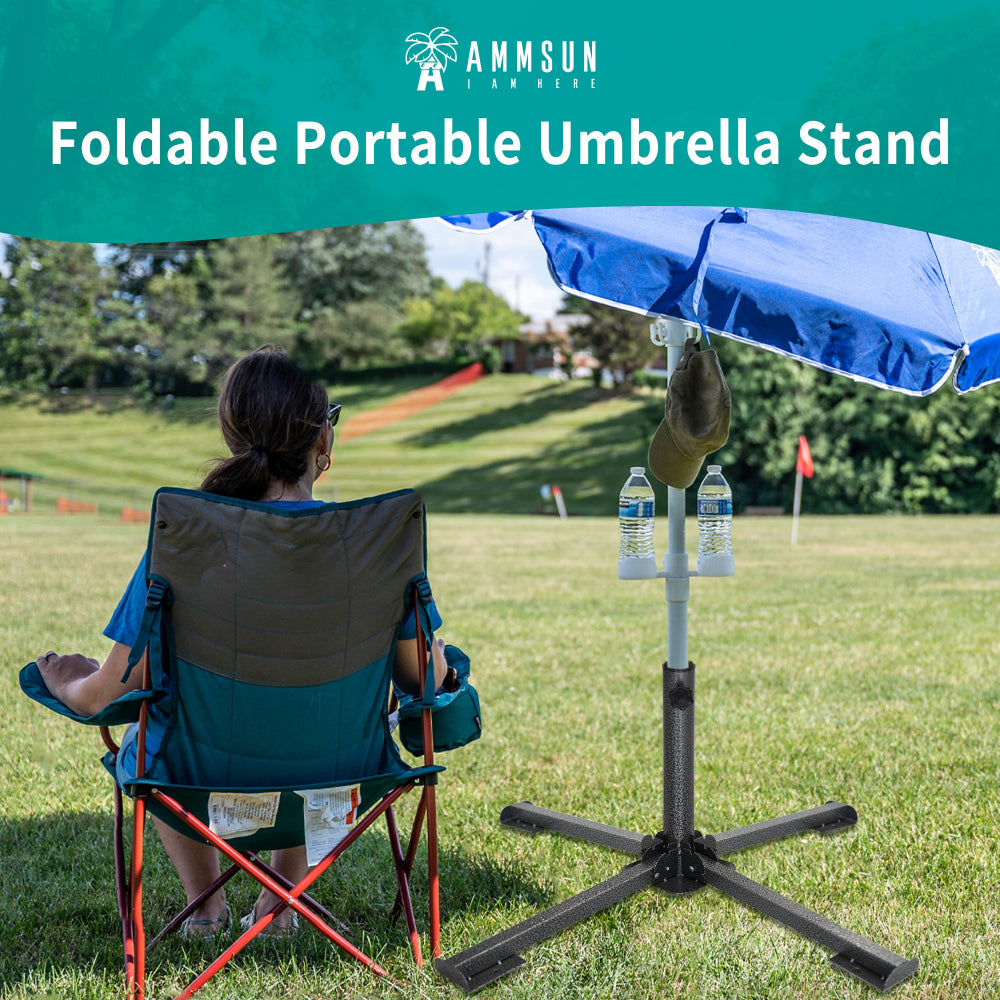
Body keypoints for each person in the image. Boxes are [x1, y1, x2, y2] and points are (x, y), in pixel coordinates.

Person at [36, 345, 450, 938]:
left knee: (154, 727)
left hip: (196, 783)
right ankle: (282, 904)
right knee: (322, 722)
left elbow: (109, 691)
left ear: (234, 438)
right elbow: (426, 684)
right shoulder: (375, 547)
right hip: (344, 775)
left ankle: (204, 909)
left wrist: (62, 678)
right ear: (322, 443)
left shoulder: (187, 540)